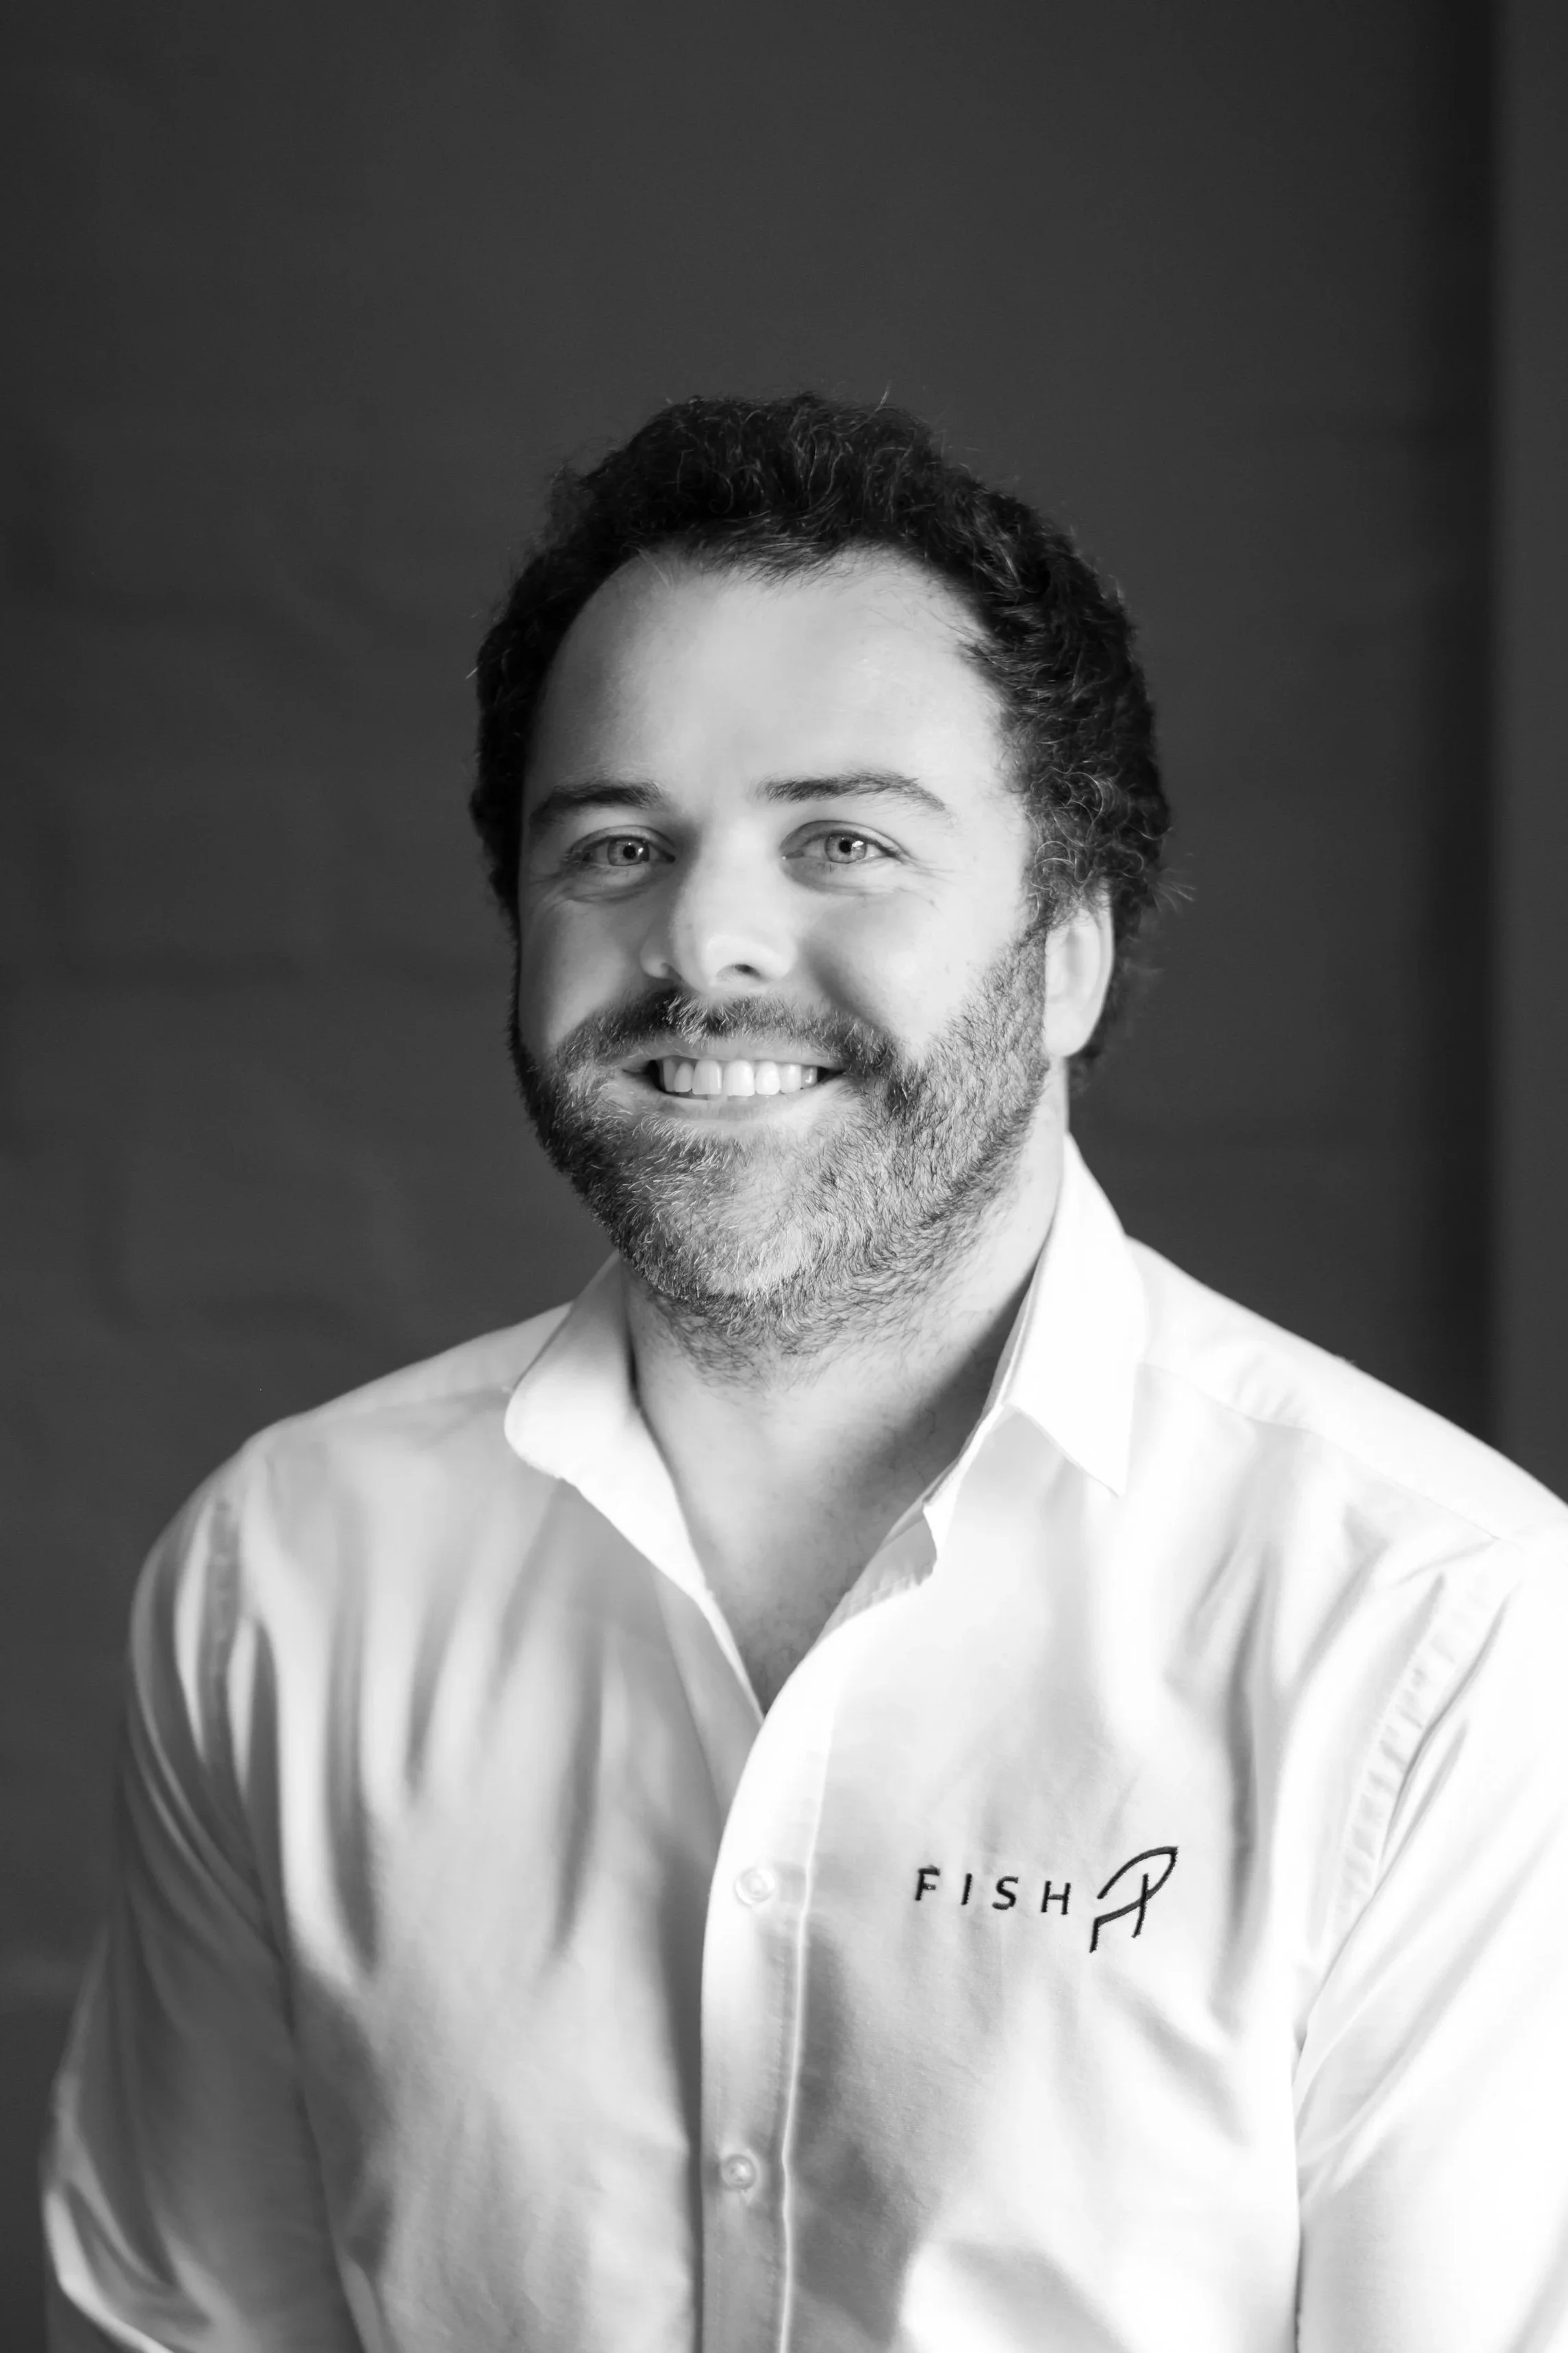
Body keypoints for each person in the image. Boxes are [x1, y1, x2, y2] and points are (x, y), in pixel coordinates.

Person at [41, 393, 1568, 2353]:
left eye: (841, 838)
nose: (706, 940)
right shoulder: (285, 1583)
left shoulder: (1436, 1628)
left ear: (1075, 951)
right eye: (613, 843)